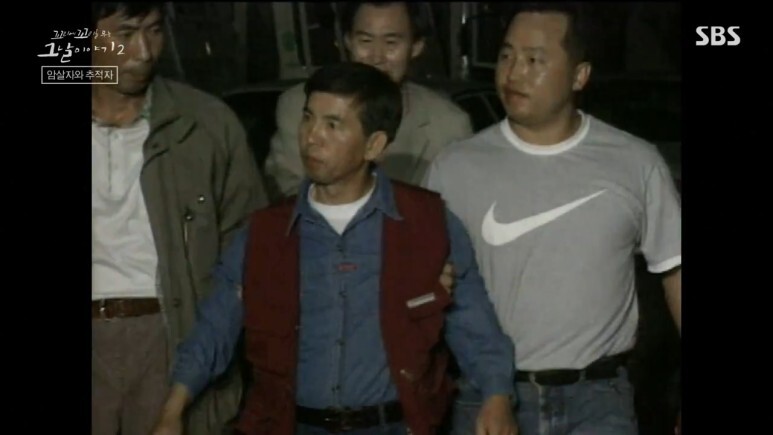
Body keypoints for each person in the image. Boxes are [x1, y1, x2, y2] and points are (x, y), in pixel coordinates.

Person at [152, 62, 518, 435]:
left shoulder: (426, 224)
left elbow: (474, 325)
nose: (312, 137)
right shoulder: (266, 233)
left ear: (374, 145)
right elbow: (215, 325)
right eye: (307, 118)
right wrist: (174, 408)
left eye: (333, 125)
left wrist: (497, 397)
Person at [423, 3, 681, 435]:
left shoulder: (636, 163)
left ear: (580, 76)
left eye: (534, 60)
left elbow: (675, 272)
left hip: (598, 402)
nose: (513, 73)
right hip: (488, 398)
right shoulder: (454, 167)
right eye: (506, 56)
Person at [91, 3, 268, 434]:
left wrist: (203, 360)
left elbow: (247, 255)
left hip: (172, 338)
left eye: (154, 31)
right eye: (125, 34)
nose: (144, 51)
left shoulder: (205, 124)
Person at [263, 1, 473, 200]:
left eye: (391, 43)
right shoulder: (299, 106)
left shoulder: (448, 125)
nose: (376, 57)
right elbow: (287, 194)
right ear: (348, 41)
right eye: (365, 41)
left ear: (416, 46)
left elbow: (456, 206)